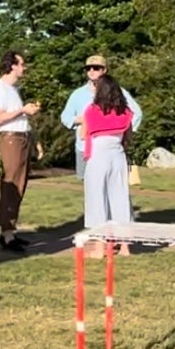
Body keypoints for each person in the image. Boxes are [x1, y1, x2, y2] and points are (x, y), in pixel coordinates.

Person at [60, 54, 142, 188]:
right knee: (89, 186)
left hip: (111, 147)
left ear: (104, 70)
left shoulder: (118, 92)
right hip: (84, 147)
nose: (91, 71)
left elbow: (136, 113)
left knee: (113, 186)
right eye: (88, 68)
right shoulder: (78, 94)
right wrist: (80, 120)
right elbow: (65, 117)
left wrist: (125, 134)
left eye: (96, 68)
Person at [0, 51, 41, 250]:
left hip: (21, 138)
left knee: (19, 185)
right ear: (12, 66)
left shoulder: (12, 89)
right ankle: (7, 234)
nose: (24, 67)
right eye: (21, 64)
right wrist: (22, 110)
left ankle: (9, 231)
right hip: (11, 140)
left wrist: (34, 139)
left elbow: (18, 118)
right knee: (11, 185)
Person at [81, 73, 135, 251]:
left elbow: (84, 134)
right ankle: (125, 246)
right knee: (120, 197)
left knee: (97, 198)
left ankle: (99, 247)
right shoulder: (125, 112)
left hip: (98, 154)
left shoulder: (91, 110)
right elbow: (128, 136)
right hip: (118, 154)